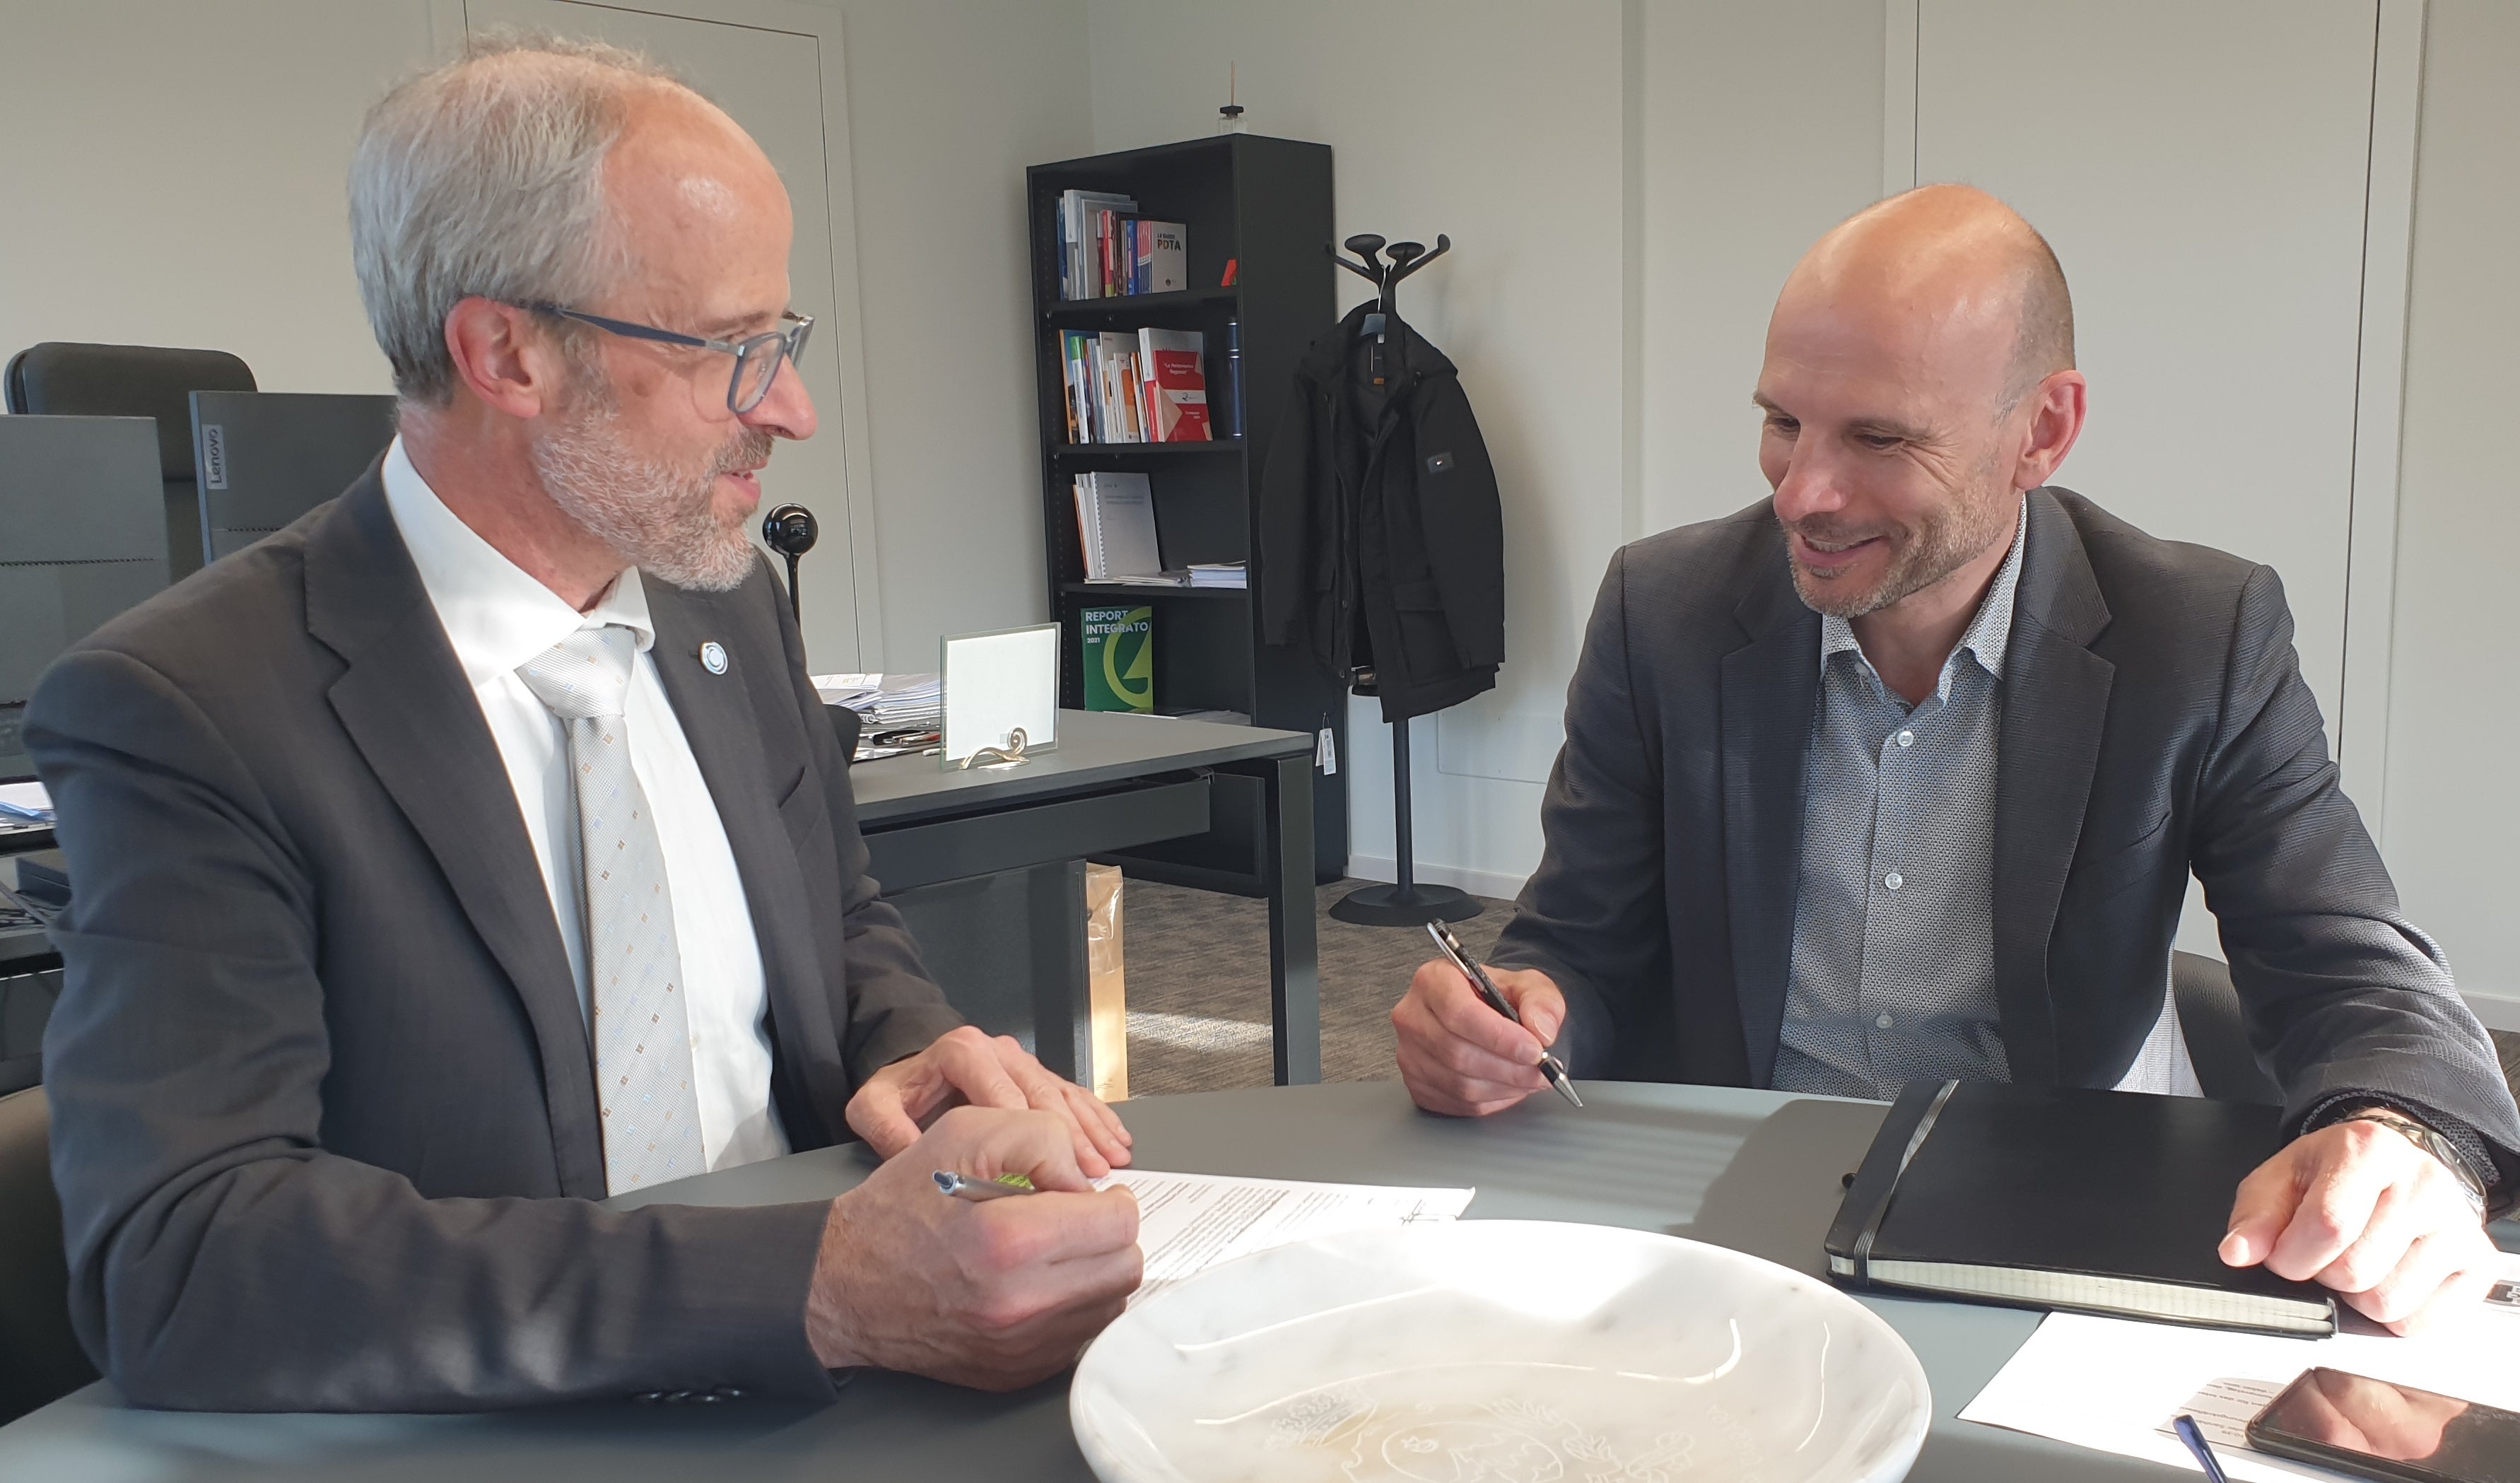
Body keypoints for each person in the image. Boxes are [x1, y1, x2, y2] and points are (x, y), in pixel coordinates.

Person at [28, 35, 1139, 1412]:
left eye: (779, 340)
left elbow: (837, 921)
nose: (789, 408)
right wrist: (812, 1282)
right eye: (733, 350)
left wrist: (909, 1043)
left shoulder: (721, 607)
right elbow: (182, 1259)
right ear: (505, 353)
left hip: (840, 1402)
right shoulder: (190, 706)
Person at [1391, 185, 2520, 1333]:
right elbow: (1574, 940)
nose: (1802, 493)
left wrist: (2407, 1134)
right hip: (1733, 1204)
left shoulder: (2197, 633)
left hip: (2043, 1204)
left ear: (2041, 431)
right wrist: (1508, 1024)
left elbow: (2344, 956)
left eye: (1878, 438)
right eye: (1783, 420)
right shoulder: (1662, 609)